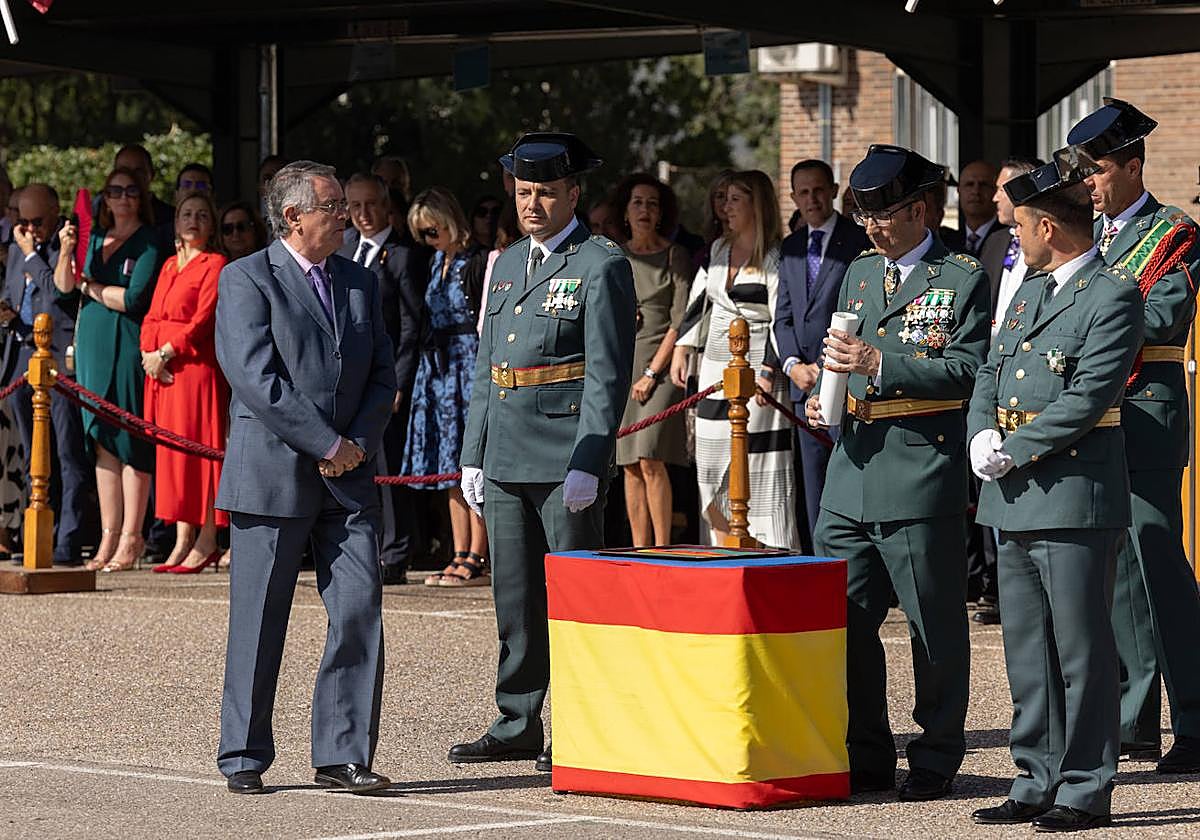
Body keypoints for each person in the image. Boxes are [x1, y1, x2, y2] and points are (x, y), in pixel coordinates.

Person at [804, 144, 990, 801]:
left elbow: (971, 369)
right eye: (866, 215)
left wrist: (880, 364)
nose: (874, 226)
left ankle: (937, 754)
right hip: (851, 472)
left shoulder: (962, 275)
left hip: (917, 471)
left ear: (922, 210)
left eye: (885, 215)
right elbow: (838, 352)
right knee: (846, 626)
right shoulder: (858, 271)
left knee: (932, 628)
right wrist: (824, 391)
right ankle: (866, 753)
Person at [966, 155, 1143, 833]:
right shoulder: (1030, 291)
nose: (1016, 238)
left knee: (1081, 651)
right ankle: (1034, 776)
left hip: (1071, 493)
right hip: (1012, 495)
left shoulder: (1111, 294)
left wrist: (1017, 446)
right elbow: (991, 368)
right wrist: (981, 431)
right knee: (1026, 649)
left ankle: (1085, 786)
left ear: (1046, 225)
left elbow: (1090, 395)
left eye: (1022, 228)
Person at [450, 132, 635, 773]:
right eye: (524, 192)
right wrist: (473, 452)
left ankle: (586, 725)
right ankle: (517, 719)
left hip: (564, 457)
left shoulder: (600, 263)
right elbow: (487, 366)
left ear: (573, 194)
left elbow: (607, 375)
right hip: (505, 451)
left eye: (546, 193)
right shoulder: (503, 264)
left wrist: (590, 457)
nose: (532, 204)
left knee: (577, 599)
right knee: (515, 598)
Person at [214, 160, 396, 796]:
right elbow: (255, 376)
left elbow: (382, 374)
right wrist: (325, 443)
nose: (345, 216)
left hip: (348, 478)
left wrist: (356, 446)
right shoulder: (245, 279)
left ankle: (342, 753)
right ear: (294, 217)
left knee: (357, 610)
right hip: (272, 476)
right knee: (260, 621)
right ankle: (243, 753)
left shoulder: (359, 281)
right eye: (334, 207)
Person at [1068, 98, 1200, 774]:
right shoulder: (1085, 237)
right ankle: (1135, 718)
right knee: (1117, 574)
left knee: (1160, 565)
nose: (1086, 183)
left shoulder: (1173, 232)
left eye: (1095, 170)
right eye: (1081, 172)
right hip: (1097, 418)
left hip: (1146, 411)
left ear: (1132, 166)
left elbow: (1159, 317)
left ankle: (1198, 722)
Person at [671, 170, 798, 549]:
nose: (725, 208)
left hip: (760, 369)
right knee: (709, 466)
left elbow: (782, 316)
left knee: (759, 466)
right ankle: (719, 549)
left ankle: (770, 553)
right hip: (714, 367)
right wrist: (682, 348)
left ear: (756, 204)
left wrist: (768, 370)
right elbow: (697, 303)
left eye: (734, 200)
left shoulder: (776, 255)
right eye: (722, 199)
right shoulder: (718, 250)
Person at [55, 167, 161, 573]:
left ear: (141, 195)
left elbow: (134, 298)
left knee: (129, 439)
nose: (122, 198)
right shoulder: (93, 237)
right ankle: (108, 535)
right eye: (114, 191)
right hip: (93, 347)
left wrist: (90, 287)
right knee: (100, 440)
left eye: (131, 190)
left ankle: (133, 535)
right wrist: (66, 252)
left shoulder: (150, 240)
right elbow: (65, 285)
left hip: (128, 343)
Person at [773, 159, 870, 544]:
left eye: (818, 190)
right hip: (803, 389)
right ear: (794, 197)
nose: (811, 199)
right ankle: (822, 567)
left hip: (846, 380)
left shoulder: (859, 242)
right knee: (814, 486)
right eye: (803, 192)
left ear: (832, 190)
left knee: (853, 479)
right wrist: (794, 364)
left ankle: (860, 568)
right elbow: (782, 316)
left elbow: (863, 310)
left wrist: (826, 365)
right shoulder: (791, 247)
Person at [338, 173, 425, 585]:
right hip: (351, 380)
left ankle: (397, 550)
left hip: (386, 380)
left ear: (386, 204)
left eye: (370, 204)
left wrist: (398, 383)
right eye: (354, 206)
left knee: (391, 467)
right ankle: (367, 546)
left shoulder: (403, 255)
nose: (363, 214)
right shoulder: (347, 250)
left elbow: (410, 325)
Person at [402, 186, 489, 586]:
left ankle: (478, 551)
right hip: (436, 367)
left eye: (433, 230)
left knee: (473, 462)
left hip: (468, 361)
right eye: (423, 234)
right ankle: (458, 550)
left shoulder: (479, 260)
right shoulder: (436, 261)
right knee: (446, 465)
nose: (429, 240)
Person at [969, 156, 1041, 626]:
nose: (994, 197)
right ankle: (996, 582)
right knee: (986, 482)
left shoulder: (1049, 246)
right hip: (991, 378)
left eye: (1002, 188)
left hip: (1030, 383)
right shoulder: (995, 243)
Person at [141, 191, 229, 574]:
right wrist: (148, 353)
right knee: (174, 457)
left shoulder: (216, 263)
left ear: (211, 226)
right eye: (186, 215)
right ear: (176, 223)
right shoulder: (168, 266)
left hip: (194, 368)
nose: (193, 221)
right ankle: (181, 539)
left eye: (201, 216)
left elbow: (203, 319)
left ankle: (207, 539)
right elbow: (151, 314)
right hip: (164, 371)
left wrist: (165, 352)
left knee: (200, 454)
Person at [0, 184, 89, 566]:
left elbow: (58, 293)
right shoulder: (19, 249)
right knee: (35, 457)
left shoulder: (61, 244)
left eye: (39, 221)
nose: (32, 228)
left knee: (66, 453)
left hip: (57, 361)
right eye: (24, 221)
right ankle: (36, 536)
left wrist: (32, 253)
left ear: (56, 212)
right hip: (21, 358)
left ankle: (67, 538)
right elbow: (13, 291)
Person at [613, 173, 690, 546]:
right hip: (622, 369)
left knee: (650, 458)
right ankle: (640, 551)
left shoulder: (675, 255)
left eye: (653, 203)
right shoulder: (614, 255)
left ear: (662, 213)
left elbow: (681, 321)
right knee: (629, 464)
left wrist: (650, 372)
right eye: (638, 202)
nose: (645, 210)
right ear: (626, 211)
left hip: (659, 369)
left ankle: (663, 550)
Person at [945, 160, 1001, 255]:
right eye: (969, 184)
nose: (976, 191)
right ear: (959, 191)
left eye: (983, 185)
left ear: (996, 190)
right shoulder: (946, 242)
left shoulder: (1008, 238)